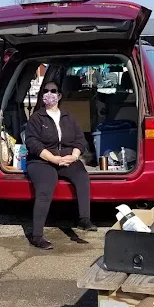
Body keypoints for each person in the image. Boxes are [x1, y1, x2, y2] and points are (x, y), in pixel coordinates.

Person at [24, 78, 97, 249]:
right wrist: (53, 158)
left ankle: (84, 219)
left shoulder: (68, 117)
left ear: (59, 95)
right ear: (42, 96)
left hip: (67, 158)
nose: (49, 94)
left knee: (81, 176)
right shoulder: (36, 118)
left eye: (53, 91)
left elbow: (80, 140)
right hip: (41, 161)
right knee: (45, 188)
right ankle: (37, 236)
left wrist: (74, 156)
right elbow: (32, 143)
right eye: (46, 91)